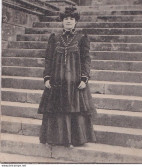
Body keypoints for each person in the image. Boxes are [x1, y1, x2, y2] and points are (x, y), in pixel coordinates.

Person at [37, 6, 97, 147]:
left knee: (74, 108)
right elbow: (48, 59)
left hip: (74, 81)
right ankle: (56, 139)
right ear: (62, 21)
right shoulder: (55, 38)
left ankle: (74, 139)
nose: (68, 21)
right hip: (57, 80)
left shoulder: (82, 38)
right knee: (56, 107)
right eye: (66, 19)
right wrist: (47, 77)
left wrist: (84, 77)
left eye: (71, 19)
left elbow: (86, 60)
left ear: (76, 21)